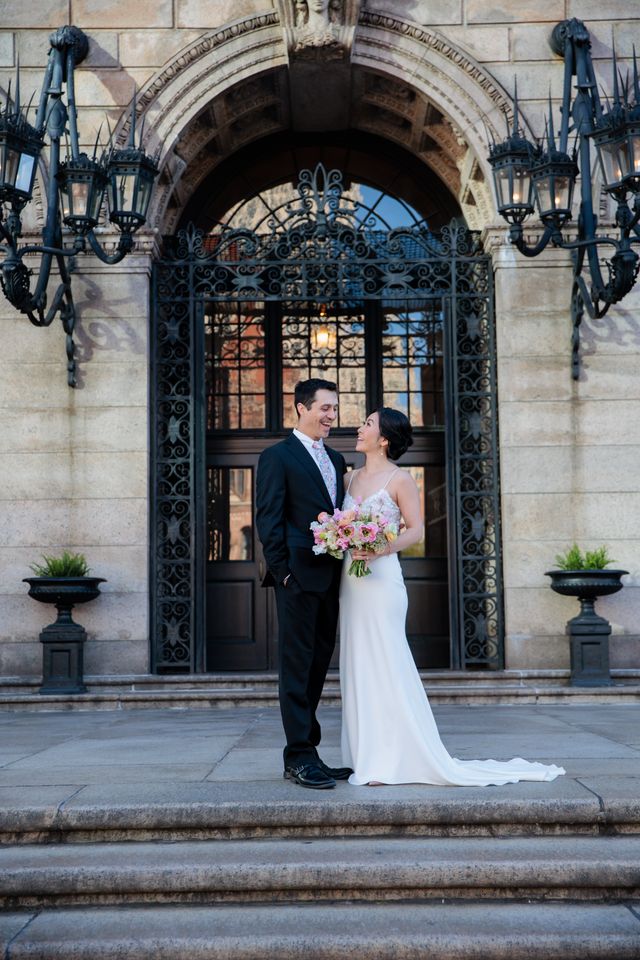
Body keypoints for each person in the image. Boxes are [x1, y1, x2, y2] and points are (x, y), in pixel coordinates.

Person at [340, 407, 566, 787]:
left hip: (381, 581)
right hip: (352, 582)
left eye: (367, 424)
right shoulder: (347, 478)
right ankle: (368, 755)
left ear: (383, 439)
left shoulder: (400, 480)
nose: (359, 428)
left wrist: (378, 548)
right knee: (357, 663)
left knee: (387, 661)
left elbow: (416, 532)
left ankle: (398, 756)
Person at [256, 378, 352, 789]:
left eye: (334, 409)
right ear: (301, 408)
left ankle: (309, 750)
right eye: (324, 408)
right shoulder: (277, 456)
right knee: (296, 667)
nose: (331, 416)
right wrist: (285, 574)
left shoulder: (337, 458)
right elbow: (268, 519)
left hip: (332, 579)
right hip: (297, 578)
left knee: (316, 666)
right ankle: (297, 755)